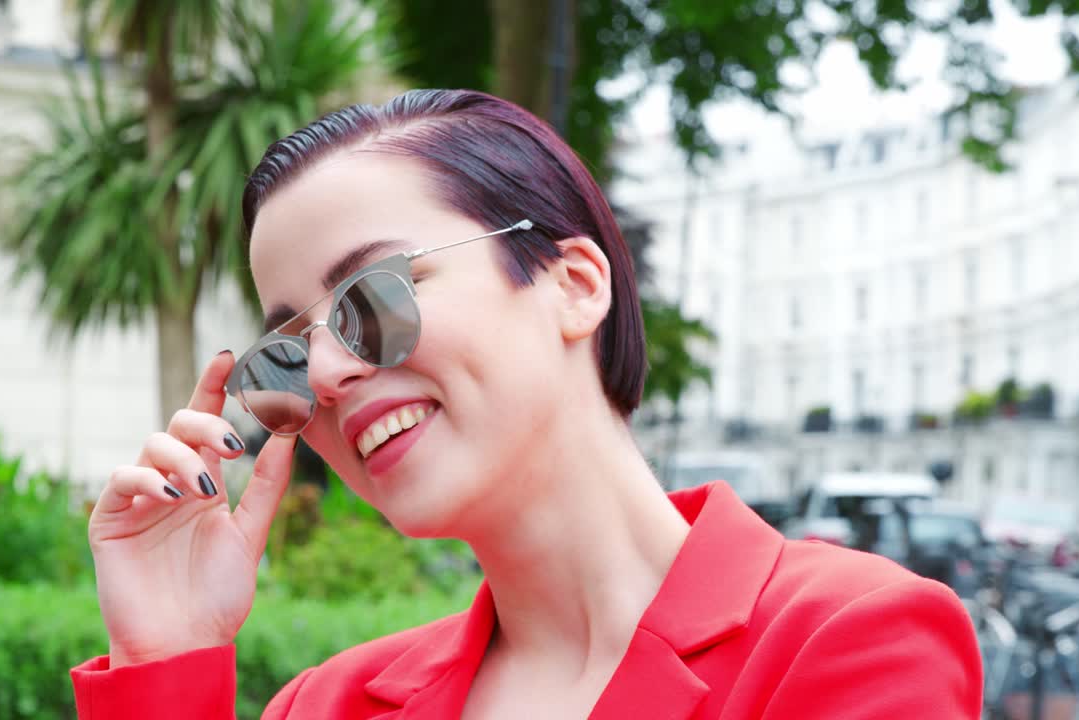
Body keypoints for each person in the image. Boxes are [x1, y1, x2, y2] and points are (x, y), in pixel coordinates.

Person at [69, 89, 983, 719]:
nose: (331, 374)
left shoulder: (843, 640)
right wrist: (167, 660)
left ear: (575, 283)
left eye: (374, 298)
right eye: (287, 352)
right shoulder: (330, 704)